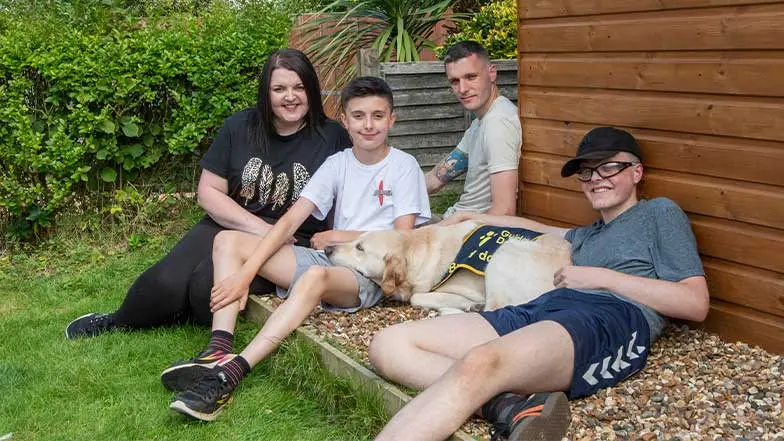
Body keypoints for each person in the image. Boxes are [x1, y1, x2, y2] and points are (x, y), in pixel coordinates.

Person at [370, 127, 710, 441]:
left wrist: (601, 278)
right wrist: (475, 218)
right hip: (550, 307)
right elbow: (534, 227)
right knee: (389, 344)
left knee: (480, 363)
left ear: (636, 172)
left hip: (611, 318)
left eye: (608, 168)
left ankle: (486, 390)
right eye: (587, 172)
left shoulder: (659, 213)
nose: (595, 179)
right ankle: (508, 406)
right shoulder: (587, 234)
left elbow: (695, 303)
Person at [161, 76, 431, 421]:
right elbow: (290, 222)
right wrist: (246, 273)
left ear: (392, 120)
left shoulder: (403, 166)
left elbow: (402, 237)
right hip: (332, 259)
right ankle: (219, 349)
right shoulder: (338, 164)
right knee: (228, 240)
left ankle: (233, 373)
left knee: (316, 275)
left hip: (372, 274)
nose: (368, 125)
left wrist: (339, 235)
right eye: (359, 116)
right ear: (344, 122)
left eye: (378, 116)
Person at [64, 49, 352, 339]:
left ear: (311, 89)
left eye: (298, 87)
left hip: (291, 239)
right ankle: (117, 320)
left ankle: (183, 310)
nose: (290, 96)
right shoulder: (239, 127)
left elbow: (347, 198)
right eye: (279, 89)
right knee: (163, 283)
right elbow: (208, 192)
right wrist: (262, 228)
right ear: (266, 93)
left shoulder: (333, 136)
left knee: (204, 288)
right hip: (232, 222)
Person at [424, 41, 521, 218]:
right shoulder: (480, 122)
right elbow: (437, 178)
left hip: (466, 232)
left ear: (492, 73)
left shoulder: (498, 124)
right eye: (455, 81)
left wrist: (441, 229)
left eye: (471, 77)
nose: (462, 89)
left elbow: (504, 212)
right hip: (454, 220)